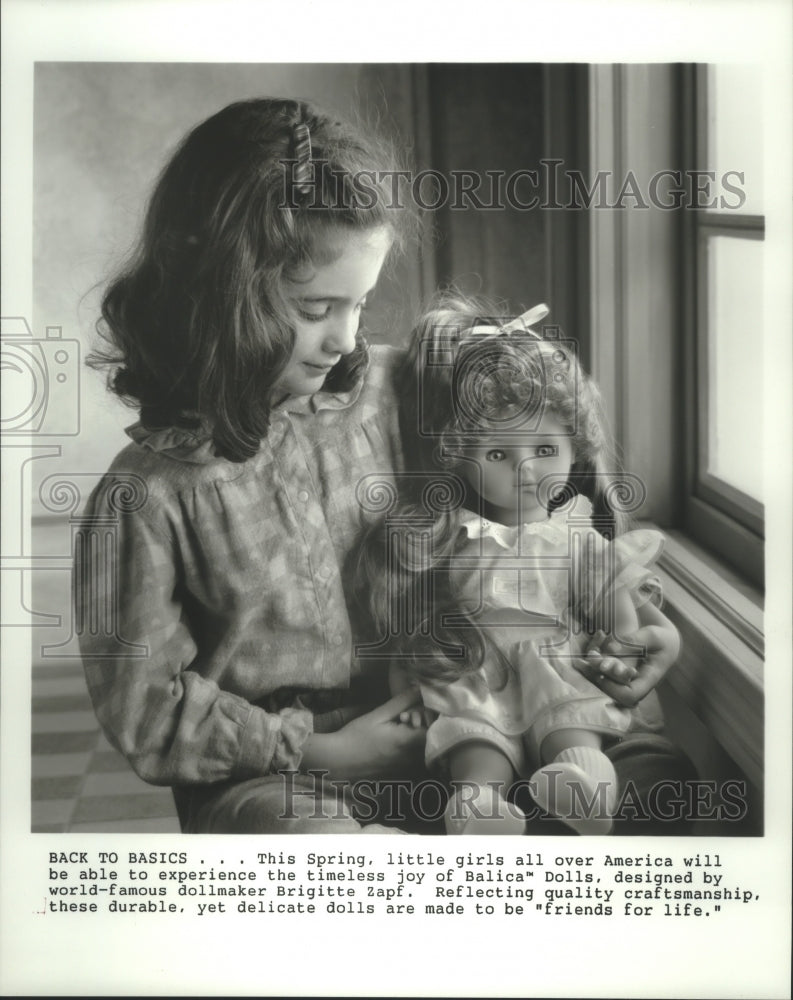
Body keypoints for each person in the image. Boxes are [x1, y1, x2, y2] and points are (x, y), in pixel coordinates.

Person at [75, 97, 428, 834]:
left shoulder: (392, 396)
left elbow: (528, 456)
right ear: (220, 293)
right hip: (268, 780)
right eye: (314, 308)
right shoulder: (146, 494)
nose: (345, 337)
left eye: (360, 304)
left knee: (624, 780)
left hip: (432, 723)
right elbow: (145, 707)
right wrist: (319, 750)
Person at [354, 294, 695, 835]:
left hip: (556, 663)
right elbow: (418, 626)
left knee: (569, 723)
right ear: (458, 458)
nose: (524, 470)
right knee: (475, 741)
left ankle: (579, 783)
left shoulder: (575, 535)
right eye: (497, 455)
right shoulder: (450, 535)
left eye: (543, 448)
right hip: (476, 672)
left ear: (575, 446)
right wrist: (411, 695)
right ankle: (479, 807)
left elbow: (612, 603)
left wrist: (618, 643)